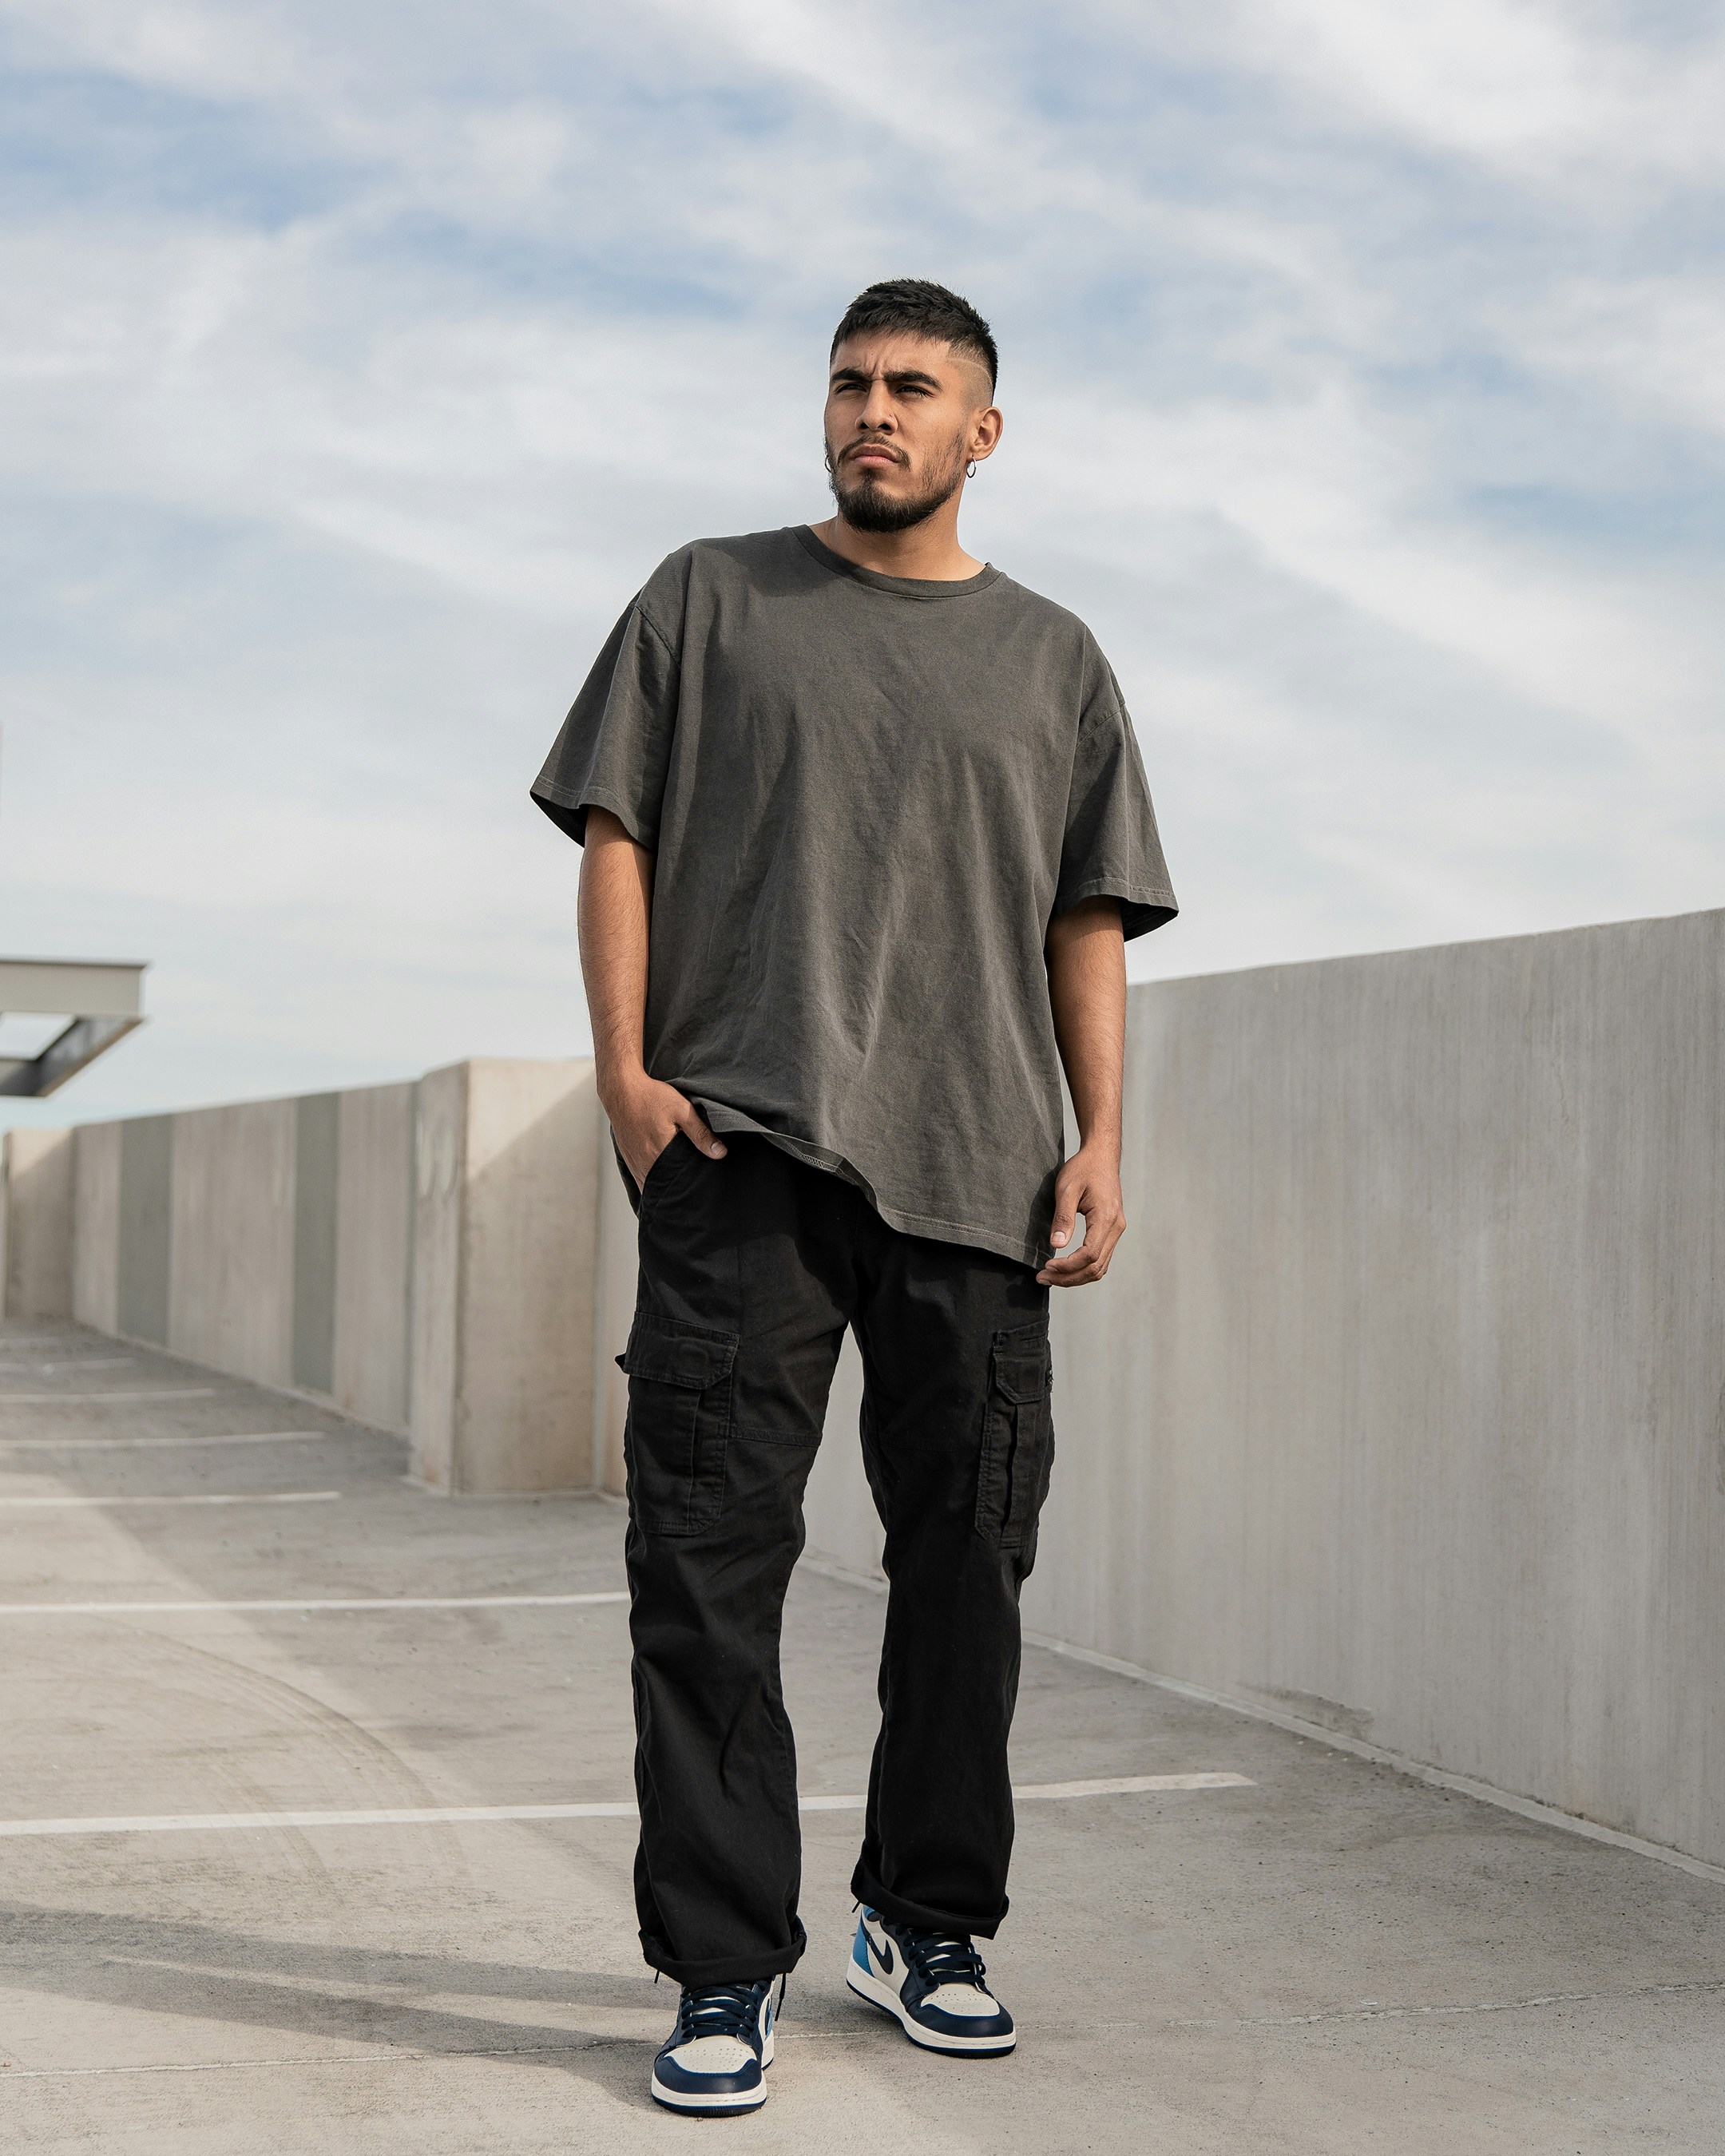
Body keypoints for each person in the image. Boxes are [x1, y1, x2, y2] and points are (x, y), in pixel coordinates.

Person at [532, 277, 1176, 2118]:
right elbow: (615, 836)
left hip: (979, 1171)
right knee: (707, 1569)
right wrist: (625, 1072)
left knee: (968, 1565)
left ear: (984, 431)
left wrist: (1104, 1131)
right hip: (741, 1154)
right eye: (848, 383)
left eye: (913, 388)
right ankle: (726, 1963)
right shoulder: (707, 598)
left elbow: (1087, 916)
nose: (869, 412)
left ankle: (927, 1921)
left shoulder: (1055, 657)